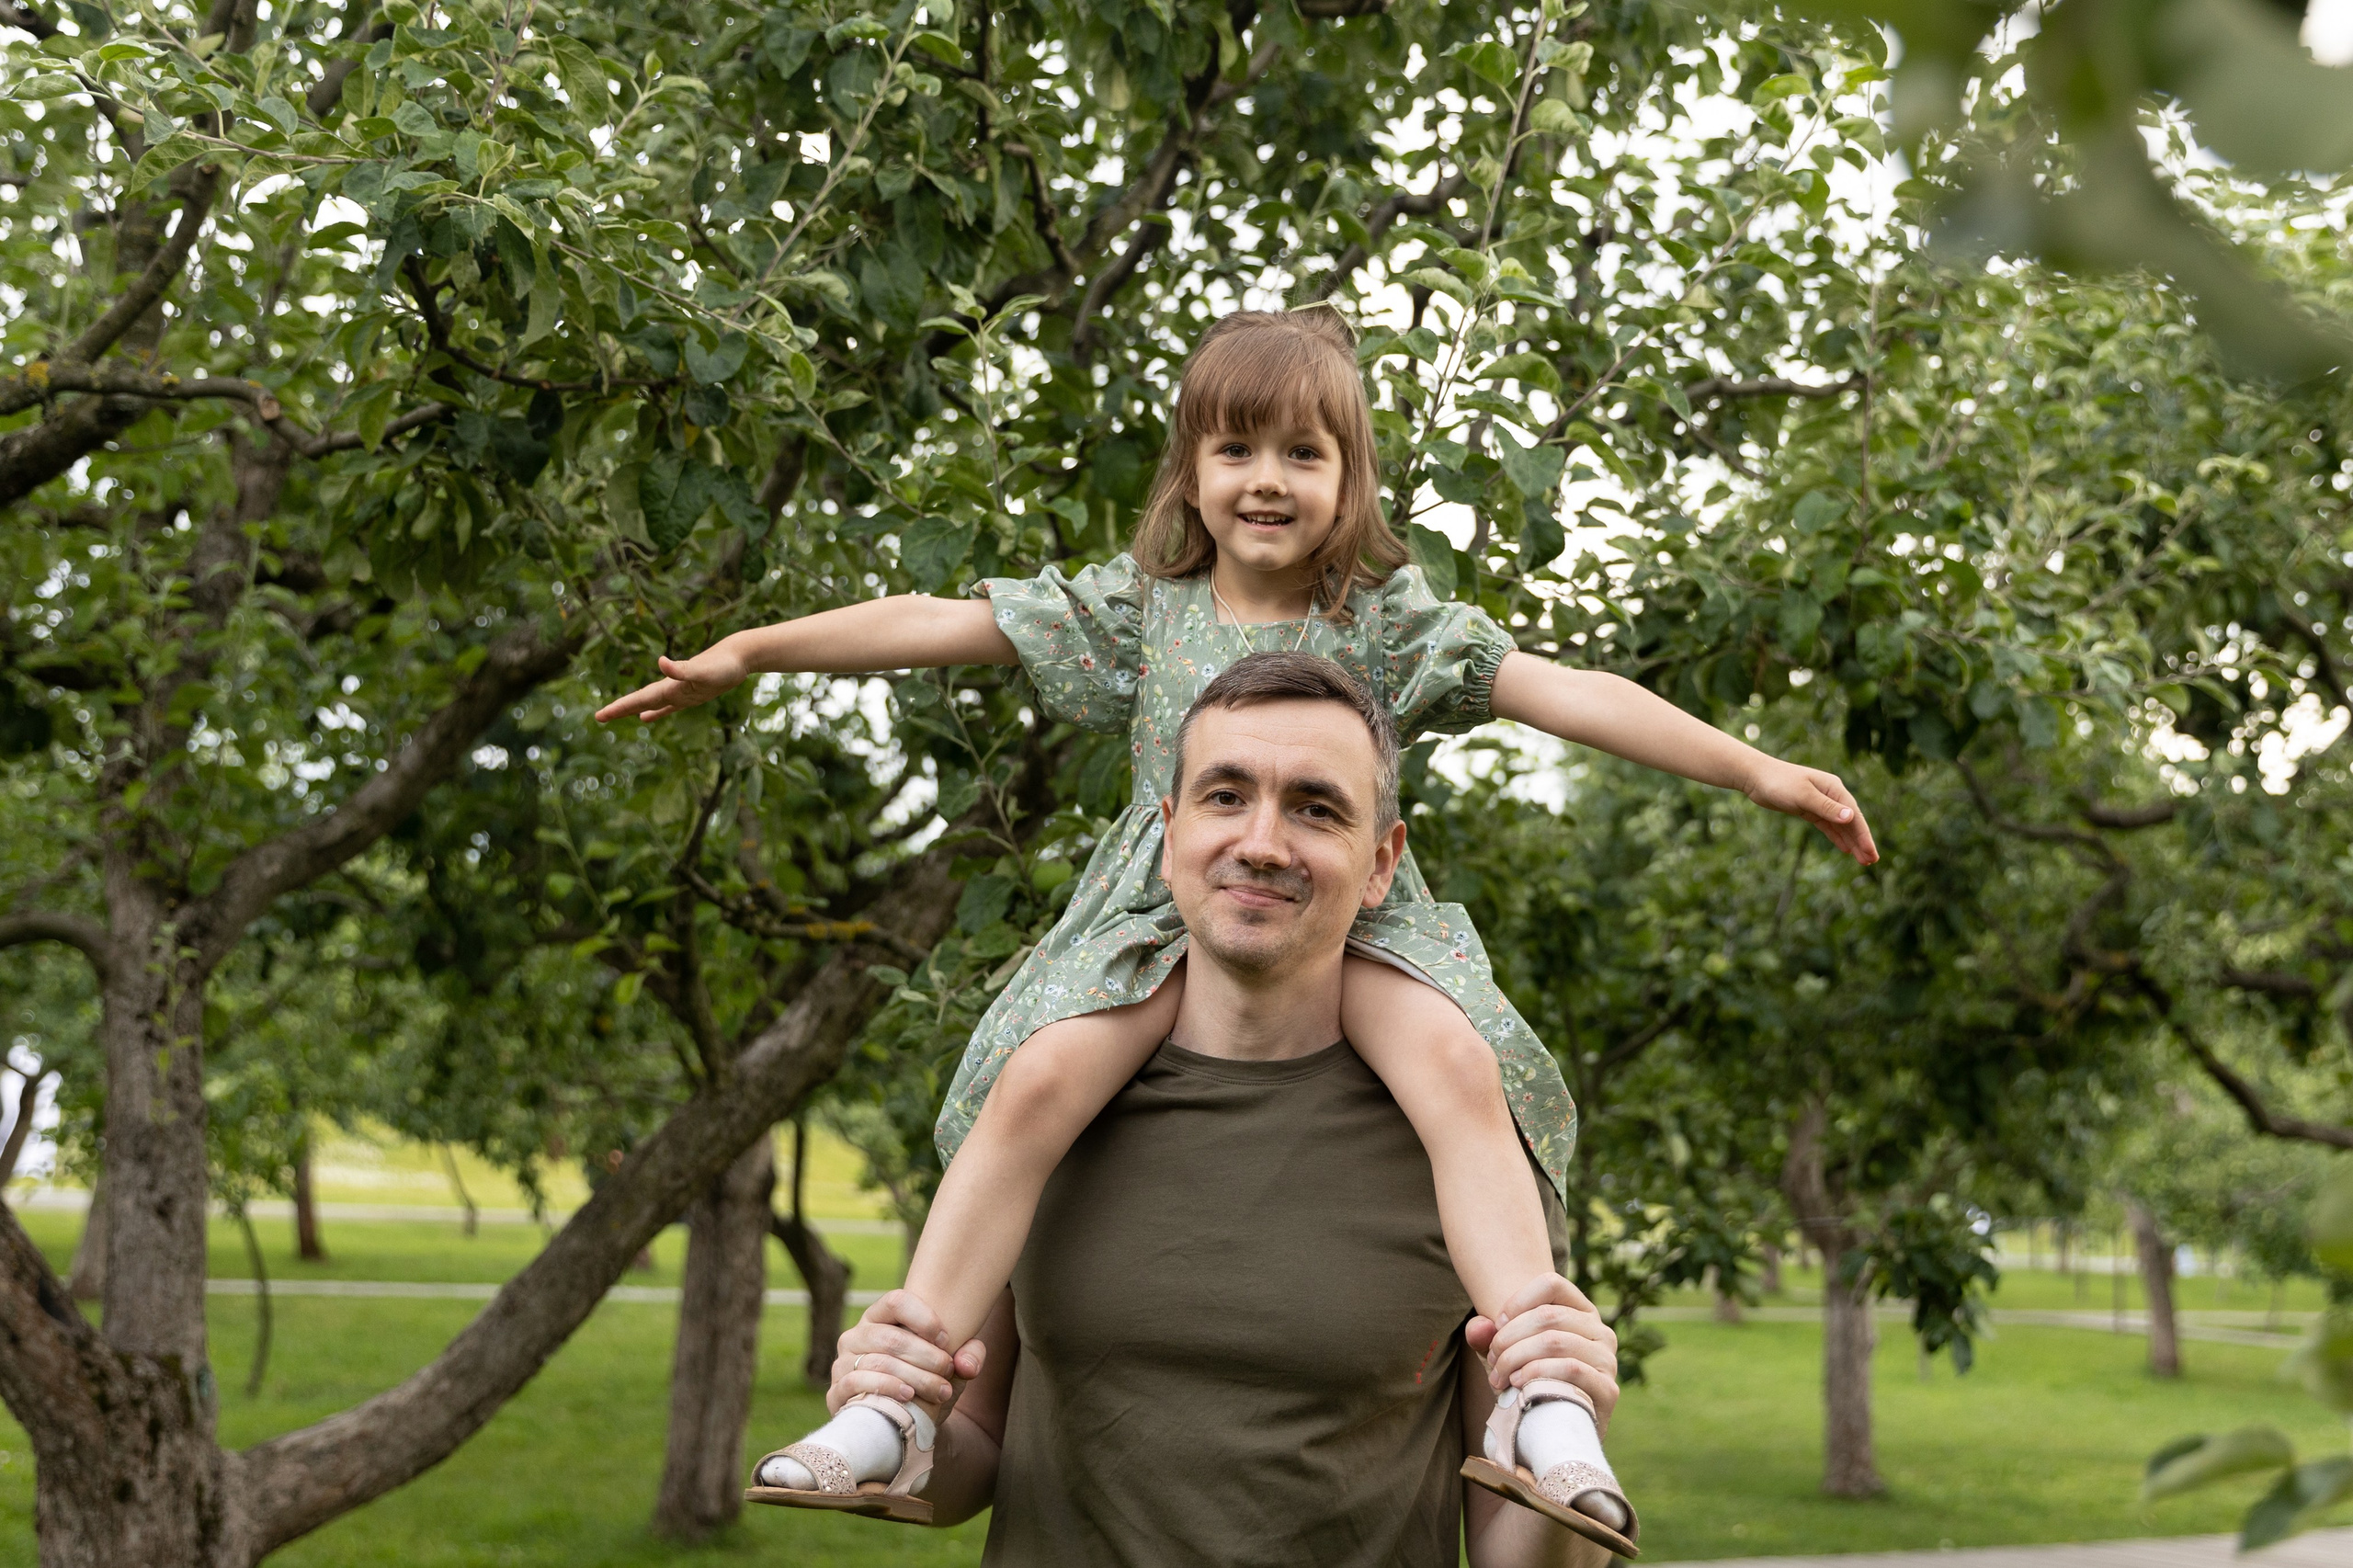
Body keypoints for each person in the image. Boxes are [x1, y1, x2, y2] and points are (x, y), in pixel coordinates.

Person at [596, 308, 1879, 1540]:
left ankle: (1540, 1391)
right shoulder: (1142, 609)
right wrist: (754, 651)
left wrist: (1756, 768)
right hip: (1154, 918)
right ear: (1193, 473)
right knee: (1036, 1077)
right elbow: (941, 623)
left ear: (1350, 476)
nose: (1268, 480)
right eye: (1237, 448)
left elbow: (1565, 691)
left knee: (1459, 1065)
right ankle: (895, 1389)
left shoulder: (1383, 620)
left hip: (1344, 921)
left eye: (1303, 453)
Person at [761, 653, 1636, 1564]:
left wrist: (1563, 1456)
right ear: (1167, 833)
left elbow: (1515, 1552)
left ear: (1381, 863)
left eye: (1315, 805)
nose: (1261, 840)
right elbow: (970, 1456)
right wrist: (896, 1418)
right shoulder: (1053, 1102)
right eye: (1226, 795)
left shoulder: (1476, 1148)